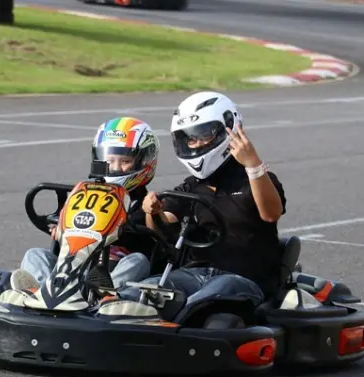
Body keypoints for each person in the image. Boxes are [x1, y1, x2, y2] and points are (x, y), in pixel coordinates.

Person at [120, 91, 287, 308]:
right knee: (141, 291)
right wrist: (153, 211)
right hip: (195, 275)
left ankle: (187, 312)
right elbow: (163, 228)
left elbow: (271, 213)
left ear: (228, 131)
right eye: (191, 138)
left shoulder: (255, 179)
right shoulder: (191, 187)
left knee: (213, 294)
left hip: (243, 279)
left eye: (204, 135)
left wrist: (253, 164)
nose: (197, 144)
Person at [18, 117, 162, 289]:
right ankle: (43, 294)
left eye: (124, 161)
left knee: (138, 261)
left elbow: (154, 242)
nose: (115, 168)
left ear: (145, 162)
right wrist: (62, 231)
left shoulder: (145, 203)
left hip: (114, 269)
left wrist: (148, 215)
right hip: (77, 265)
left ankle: (105, 297)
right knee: (34, 255)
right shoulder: (86, 194)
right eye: (109, 160)